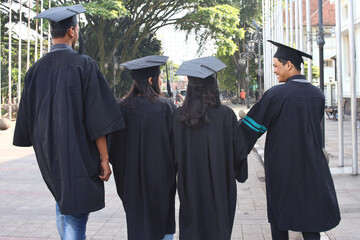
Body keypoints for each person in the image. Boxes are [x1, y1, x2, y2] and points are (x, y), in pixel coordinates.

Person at [13, 5, 125, 240]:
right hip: (78, 154)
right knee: (74, 211)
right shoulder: (83, 65)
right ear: (72, 31)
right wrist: (105, 158)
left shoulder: (35, 70)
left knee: (63, 202)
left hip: (48, 154)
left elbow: (27, 119)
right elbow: (98, 118)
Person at [240, 40, 341, 240]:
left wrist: (231, 143)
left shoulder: (276, 95)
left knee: (280, 217)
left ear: (289, 65)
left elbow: (252, 128)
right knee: (311, 217)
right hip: (312, 165)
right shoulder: (317, 95)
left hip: (282, 168)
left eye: (276, 66)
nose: (275, 71)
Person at [172, 56, 248, 240]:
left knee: (192, 229)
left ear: (189, 87)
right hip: (221, 188)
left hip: (190, 187)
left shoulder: (178, 117)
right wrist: (239, 173)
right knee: (219, 228)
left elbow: (171, 156)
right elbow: (239, 153)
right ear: (213, 85)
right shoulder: (226, 116)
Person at [109, 55, 176, 240]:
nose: (161, 81)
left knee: (138, 224)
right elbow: (175, 147)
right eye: (160, 77)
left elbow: (113, 148)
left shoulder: (121, 107)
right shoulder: (166, 107)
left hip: (131, 181)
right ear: (151, 80)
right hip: (161, 179)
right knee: (163, 225)